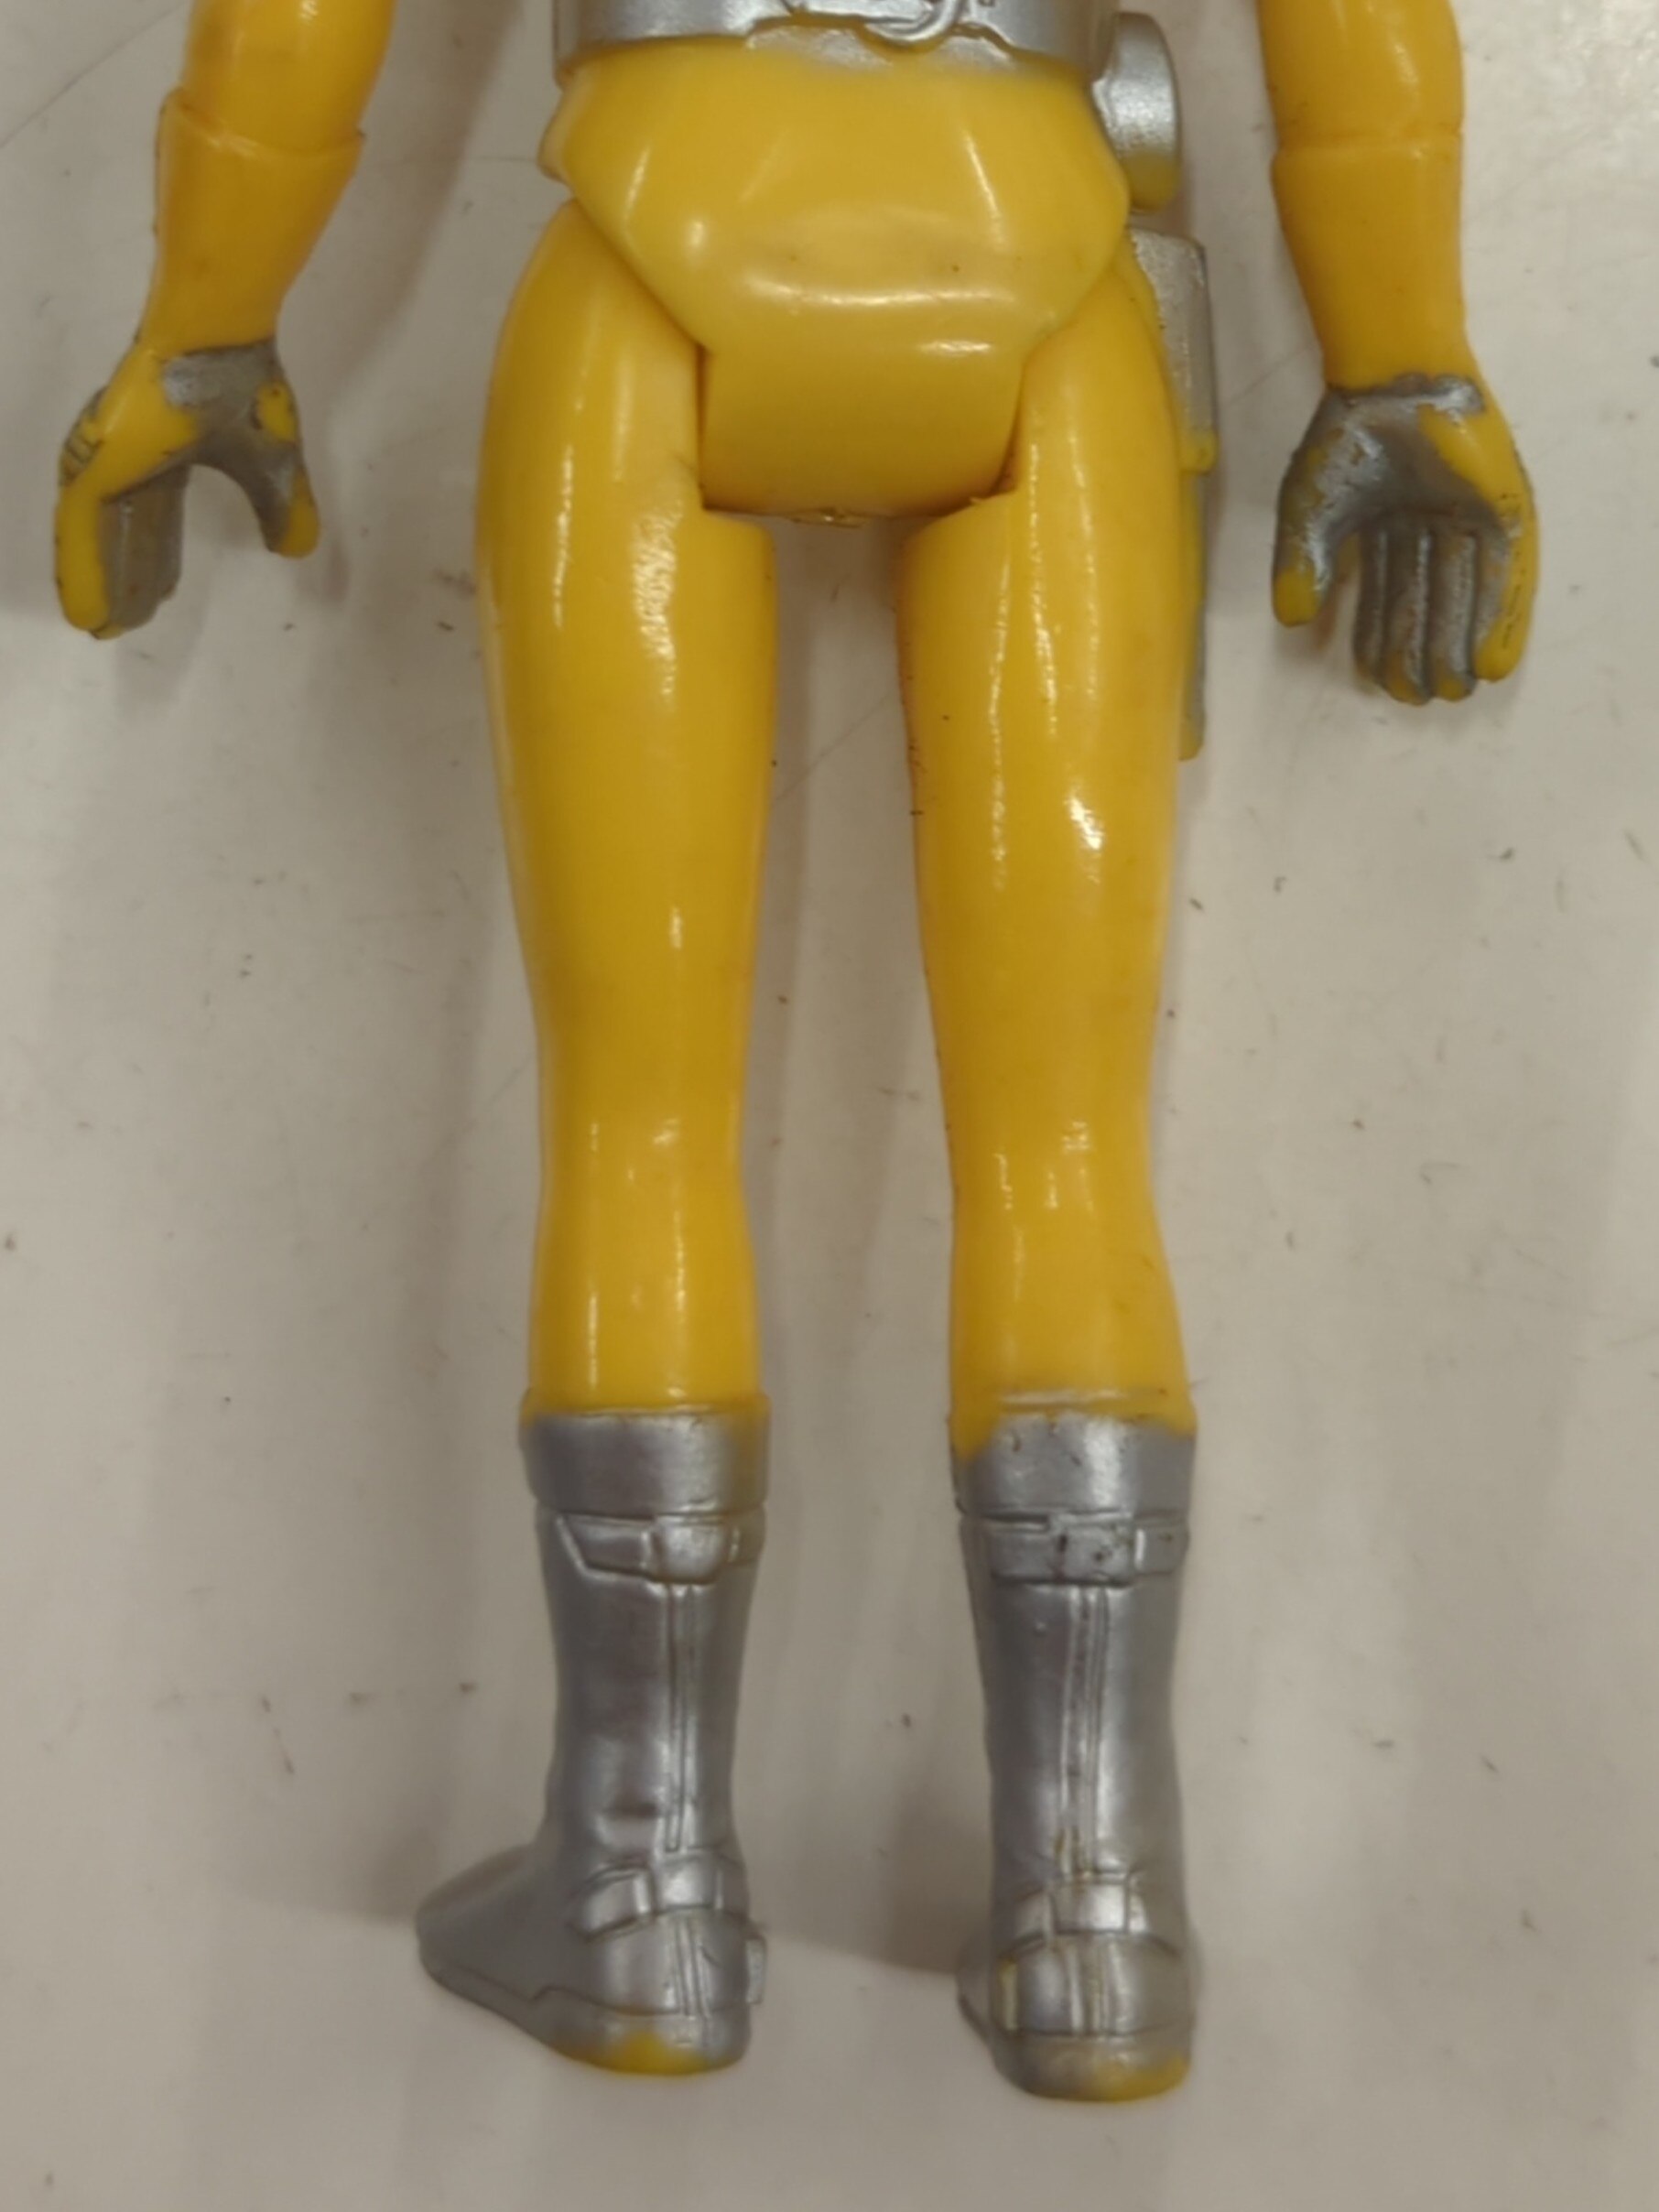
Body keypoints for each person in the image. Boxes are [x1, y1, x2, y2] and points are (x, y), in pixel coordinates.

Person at [55, 0, 1536, 2100]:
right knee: (1066, 1145)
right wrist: (1406, 359)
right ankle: (1097, 1905)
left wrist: (204, 325)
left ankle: (636, 1879)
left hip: (648, 277)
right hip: (1047, 293)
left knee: (634, 1116)